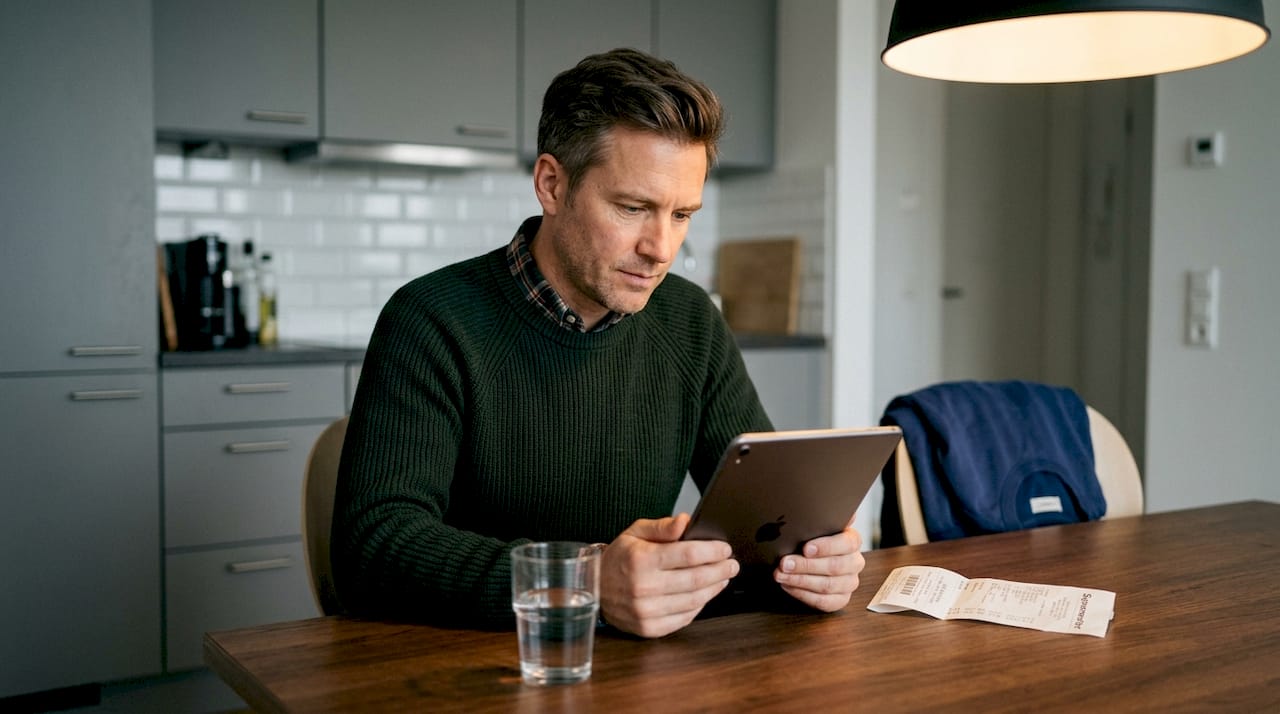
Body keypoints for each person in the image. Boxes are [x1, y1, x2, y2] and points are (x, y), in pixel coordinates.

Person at [332, 47, 865, 638]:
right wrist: (581, 583)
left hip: (638, 668)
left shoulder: (689, 320)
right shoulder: (431, 320)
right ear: (552, 184)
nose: (661, 248)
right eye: (633, 208)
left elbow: (766, 511)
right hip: (467, 666)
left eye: (682, 214)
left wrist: (813, 560)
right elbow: (372, 547)